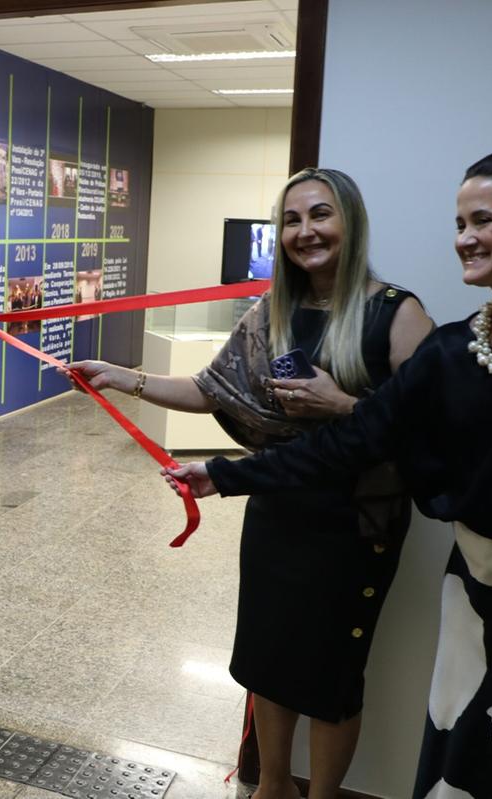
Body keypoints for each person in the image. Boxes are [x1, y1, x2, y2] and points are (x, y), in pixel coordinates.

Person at [177, 147, 492, 797]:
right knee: (456, 756)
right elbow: (351, 441)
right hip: (471, 591)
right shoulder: (455, 347)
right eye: (459, 224)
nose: (465, 239)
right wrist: (224, 475)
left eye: (481, 220)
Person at [65, 168, 434, 799]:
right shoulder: (273, 312)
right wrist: (121, 376)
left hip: (354, 525)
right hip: (277, 510)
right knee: (267, 660)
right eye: (291, 220)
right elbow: (211, 391)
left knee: (331, 679)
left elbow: (431, 430)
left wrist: (343, 405)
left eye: (321, 215)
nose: (305, 231)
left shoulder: (397, 314)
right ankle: (271, 789)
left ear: (351, 222)